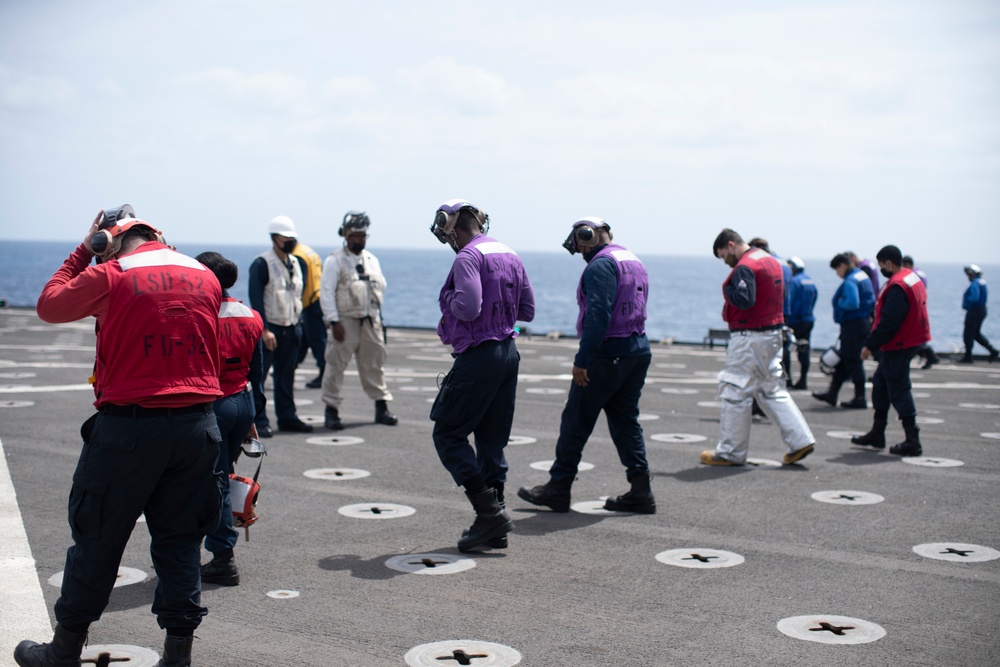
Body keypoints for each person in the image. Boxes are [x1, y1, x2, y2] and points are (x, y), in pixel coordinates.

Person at [18, 206, 224, 667]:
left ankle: (64, 650)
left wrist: (83, 249)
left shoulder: (111, 273)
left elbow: (50, 305)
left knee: (98, 538)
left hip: (129, 430)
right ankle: (178, 656)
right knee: (181, 542)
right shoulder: (204, 275)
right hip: (197, 429)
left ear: (106, 242)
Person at [518, 218, 655, 514]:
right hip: (637, 350)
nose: (579, 250)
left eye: (579, 244)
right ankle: (641, 490)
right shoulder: (632, 259)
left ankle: (558, 488)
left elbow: (598, 314)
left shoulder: (600, 265)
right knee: (625, 422)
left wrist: (583, 360)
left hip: (607, 356)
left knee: (576, 422)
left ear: (587, 236)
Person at [428, 199, 535, 552]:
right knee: (491, 440)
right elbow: (527, 310)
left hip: (479, 357)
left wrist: (449, 308)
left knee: (448, 433)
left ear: (454, 229)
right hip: (508, 353)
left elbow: (469, 306)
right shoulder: (509, 254)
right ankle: (497, 522)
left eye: (448, 236)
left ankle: (488, 514)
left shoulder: (467, 257)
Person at [700, 229, 815, 467]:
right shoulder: (770, 260)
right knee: (771, 390)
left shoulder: (745, 266)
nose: (726, 262)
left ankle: (731, 451)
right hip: (772, 333)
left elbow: (744, 299)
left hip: (749, 336)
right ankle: (800, 440)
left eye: (724, 256)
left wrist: (728, 289)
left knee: (735, 391)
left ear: (731, 245)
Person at [195, 252, 265, 587]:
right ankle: (215, 551)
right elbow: (258, 372)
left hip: (213, 405)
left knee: (213, 483)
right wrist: (255, 415)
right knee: (223, 476)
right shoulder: (251, 315)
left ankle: (223, 556)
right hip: (243, 403)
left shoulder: (200, 316)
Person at [851, 245, 932, 456]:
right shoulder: (910, 277)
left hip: (898, 344)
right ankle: (877, 433)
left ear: (888, 262)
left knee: (899, 389)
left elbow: (889, 322)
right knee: (881, 385)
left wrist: (870, 344)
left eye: (881, 265)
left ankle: (912, 440)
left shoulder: (897, 286)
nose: (880, 269)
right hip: (909, 340)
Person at [319, 211, 397, 429]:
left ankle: (382, 407)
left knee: (375, 365)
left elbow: (378, 290)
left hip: (370, 320)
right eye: (355, 235)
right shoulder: (334, 261)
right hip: (345, 321)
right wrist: (334, 321)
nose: (359, 239)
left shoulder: (372, 260)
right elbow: (326, 292)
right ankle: (331, 411)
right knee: (335, 366)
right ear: (345, 235)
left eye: (363, 235)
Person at [248, 216, 313, 436]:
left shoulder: (297, 263)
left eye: (292, 238)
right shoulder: (262, 263)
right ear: (275, 238)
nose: (290, 241)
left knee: (287, 375)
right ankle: (260, 420)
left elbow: (298, 294)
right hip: (271, 329)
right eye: (286, 238)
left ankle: (287, 417)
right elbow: (255, 298)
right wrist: (264, 329)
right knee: (261, 377)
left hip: (292, 327)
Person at [812, 253, 874, 409]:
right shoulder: (862, 276)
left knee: (852, 360)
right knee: (846, 359)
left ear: (842, 265)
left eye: (836, 269)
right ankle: (832, 394)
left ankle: (860, 397)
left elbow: (852, 302)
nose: (837, 273)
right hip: (863, 322)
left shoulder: (851, 280)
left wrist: (840, 303)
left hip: (853, 324)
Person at [287, 224, 327, 389]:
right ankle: (291, 367)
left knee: (317, 340)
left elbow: (299, 283)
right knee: (304, 339)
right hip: (317, 297)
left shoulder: (298, 256)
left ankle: (325, 374)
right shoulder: (307, 250)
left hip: (309, 303)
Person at [783, 257, 818, 389]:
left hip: (794, 321)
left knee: (785, 349)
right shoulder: (810, 280)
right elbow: (815, 297)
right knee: (804, 350)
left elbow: (789, 301)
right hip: (808, 319)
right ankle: (803, 380)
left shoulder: (794, 282)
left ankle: (787, 379)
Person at [902, 255, 941, 369]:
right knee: (916, 335)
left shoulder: (913, 276)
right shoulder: (920, 274)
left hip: (915, 309)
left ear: (907, 265)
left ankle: (930, 355)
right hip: (920, 307)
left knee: (913, 336)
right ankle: (930, 355)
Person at [958, 264, 998, 364]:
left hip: (974, 311)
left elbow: (974, 297)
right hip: (981, 310)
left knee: (968, 333)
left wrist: (968, 304)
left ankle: (968, 356)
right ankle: (992, 350)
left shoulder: (975, 283)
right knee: (975, 334)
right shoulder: (982, 282)